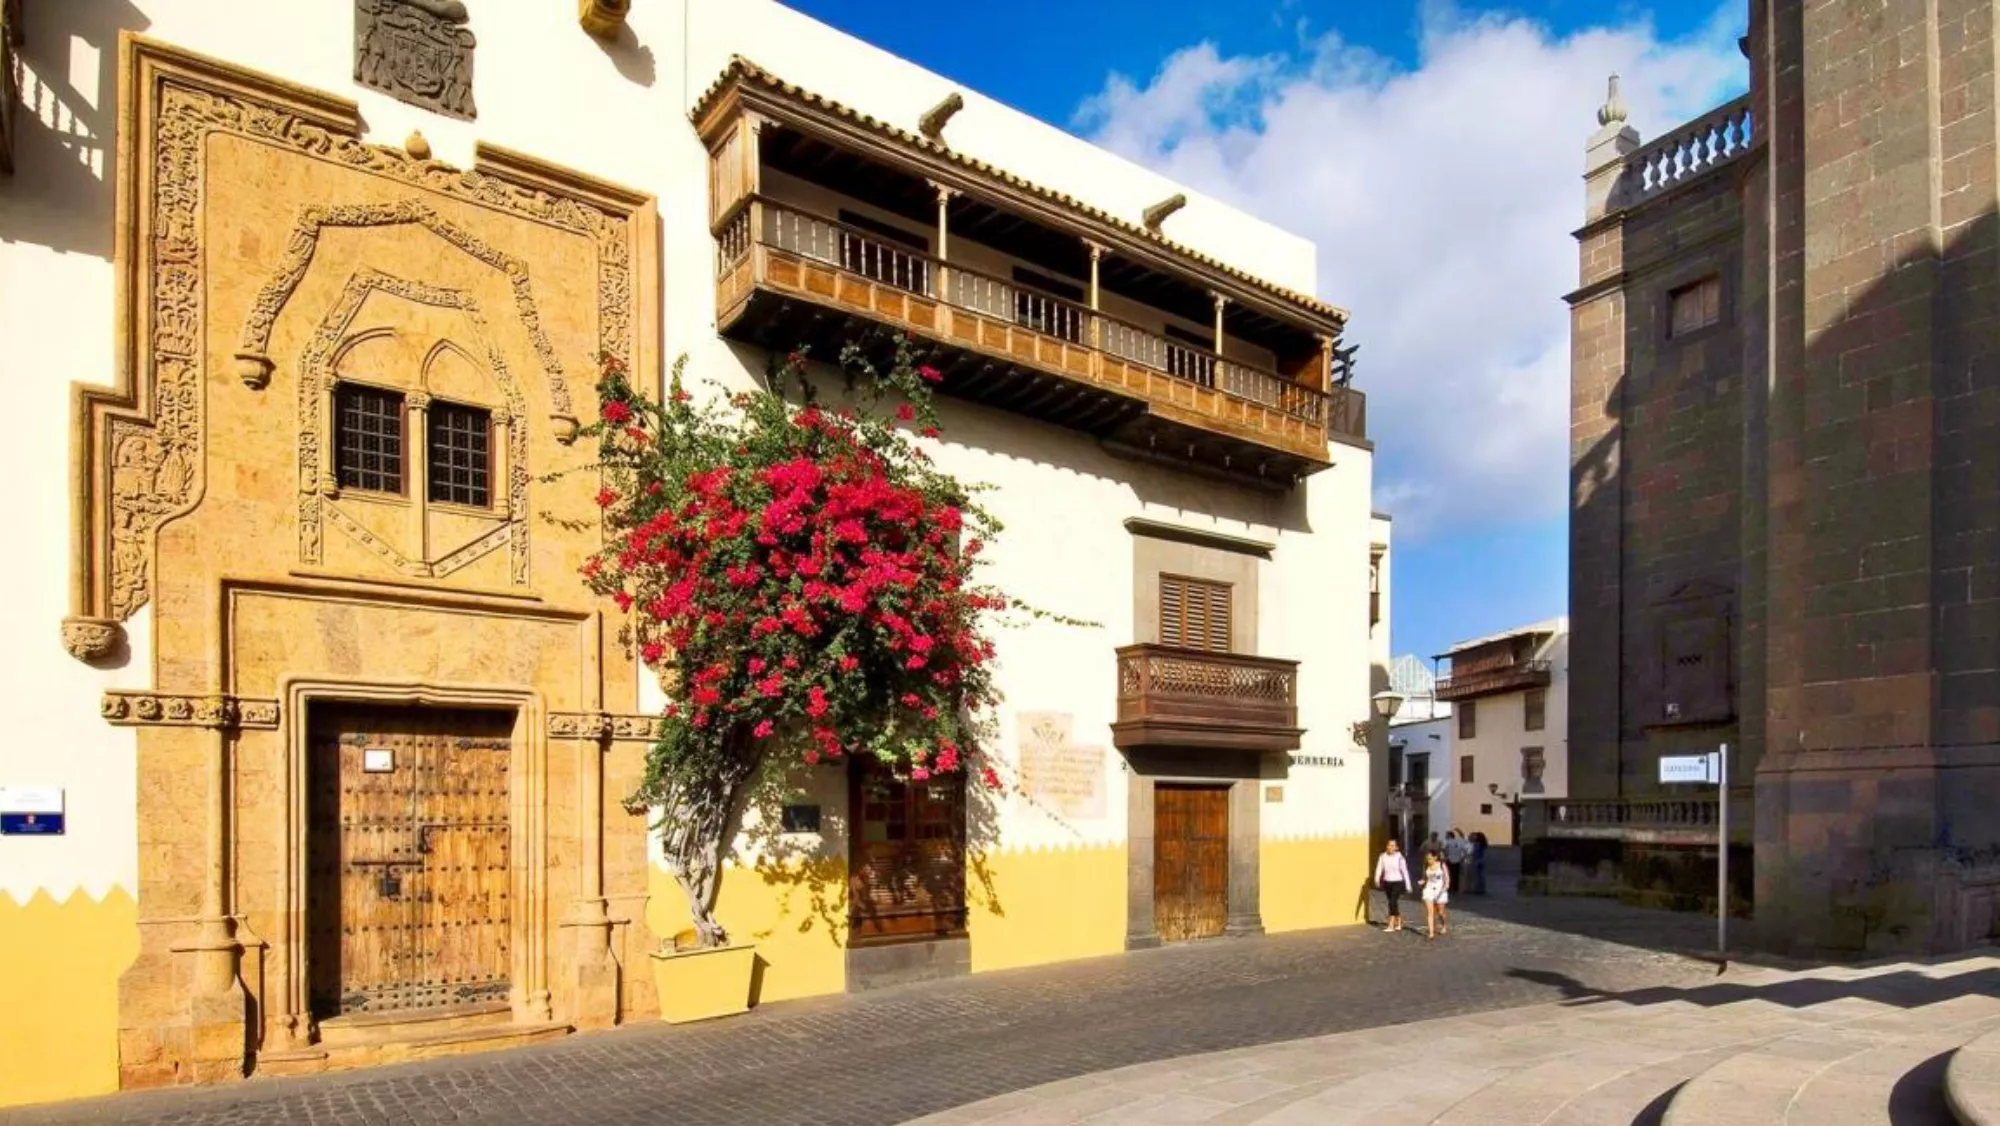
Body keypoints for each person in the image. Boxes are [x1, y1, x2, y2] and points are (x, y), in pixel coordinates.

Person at [1374, 839, 1412, 933]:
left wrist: (1408, 886)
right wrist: (1377, 879)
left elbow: (1405, 871)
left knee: (1392, 902)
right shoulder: (1382, 856)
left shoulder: (1400, 857)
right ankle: (1399, 921)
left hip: (1398, 882)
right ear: (1386, 846)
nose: (1390, 847)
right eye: (1389, 845)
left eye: (1393, 845)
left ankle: (1391, 925)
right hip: (1387, 882)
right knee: (1393, 903)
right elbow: (1379, 868)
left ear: (1396, 848)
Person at [1420, 850, 1451, 939]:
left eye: (1430, 858)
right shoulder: (1426, 866)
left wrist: (1445, 888)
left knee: (1440, 912)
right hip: (1429, 889)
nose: (1428, 859)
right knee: (1430, 912)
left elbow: (1447, 879)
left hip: (1440, 890)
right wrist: (1422, 881)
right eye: (1427, 858)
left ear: (1435, 857)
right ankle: (1431, 933)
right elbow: (1425, 878)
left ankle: (1444, 925)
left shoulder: (1442, 865)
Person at [1443, 829, 1471, 897]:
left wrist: (1445, 856)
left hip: (1449, 860)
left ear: (1449, 836)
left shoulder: (1447, 841)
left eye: (1446, 835)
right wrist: (1462, 857)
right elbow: (1464, 849)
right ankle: (1455, 888)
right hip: (1457, 860)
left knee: (1448, 875)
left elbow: (1444, 849)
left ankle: (1449, 887)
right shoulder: (1458, 842)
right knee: (1456, 875)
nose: (1445, 836)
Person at [1470, 830, 1490, 895]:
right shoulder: (1482, 844)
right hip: (1482, 860)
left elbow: (1475, 853)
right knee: (1481, 875)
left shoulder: (1477, 844)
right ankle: (1482, 888)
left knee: (1478, 875)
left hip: (1478, 860)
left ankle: (1478, 889)